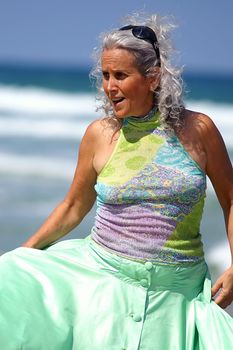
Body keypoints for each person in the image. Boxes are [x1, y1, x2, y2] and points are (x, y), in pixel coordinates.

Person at [0, 13, 233, 349]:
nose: (110, 86)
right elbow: (73, 206)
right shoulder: (100, 135)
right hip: (102, 283)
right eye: (106, 75)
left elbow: (230, 199)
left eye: (121, 75)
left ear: (153, 78)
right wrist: (26, 254)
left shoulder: (199, 130)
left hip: (177, 295)